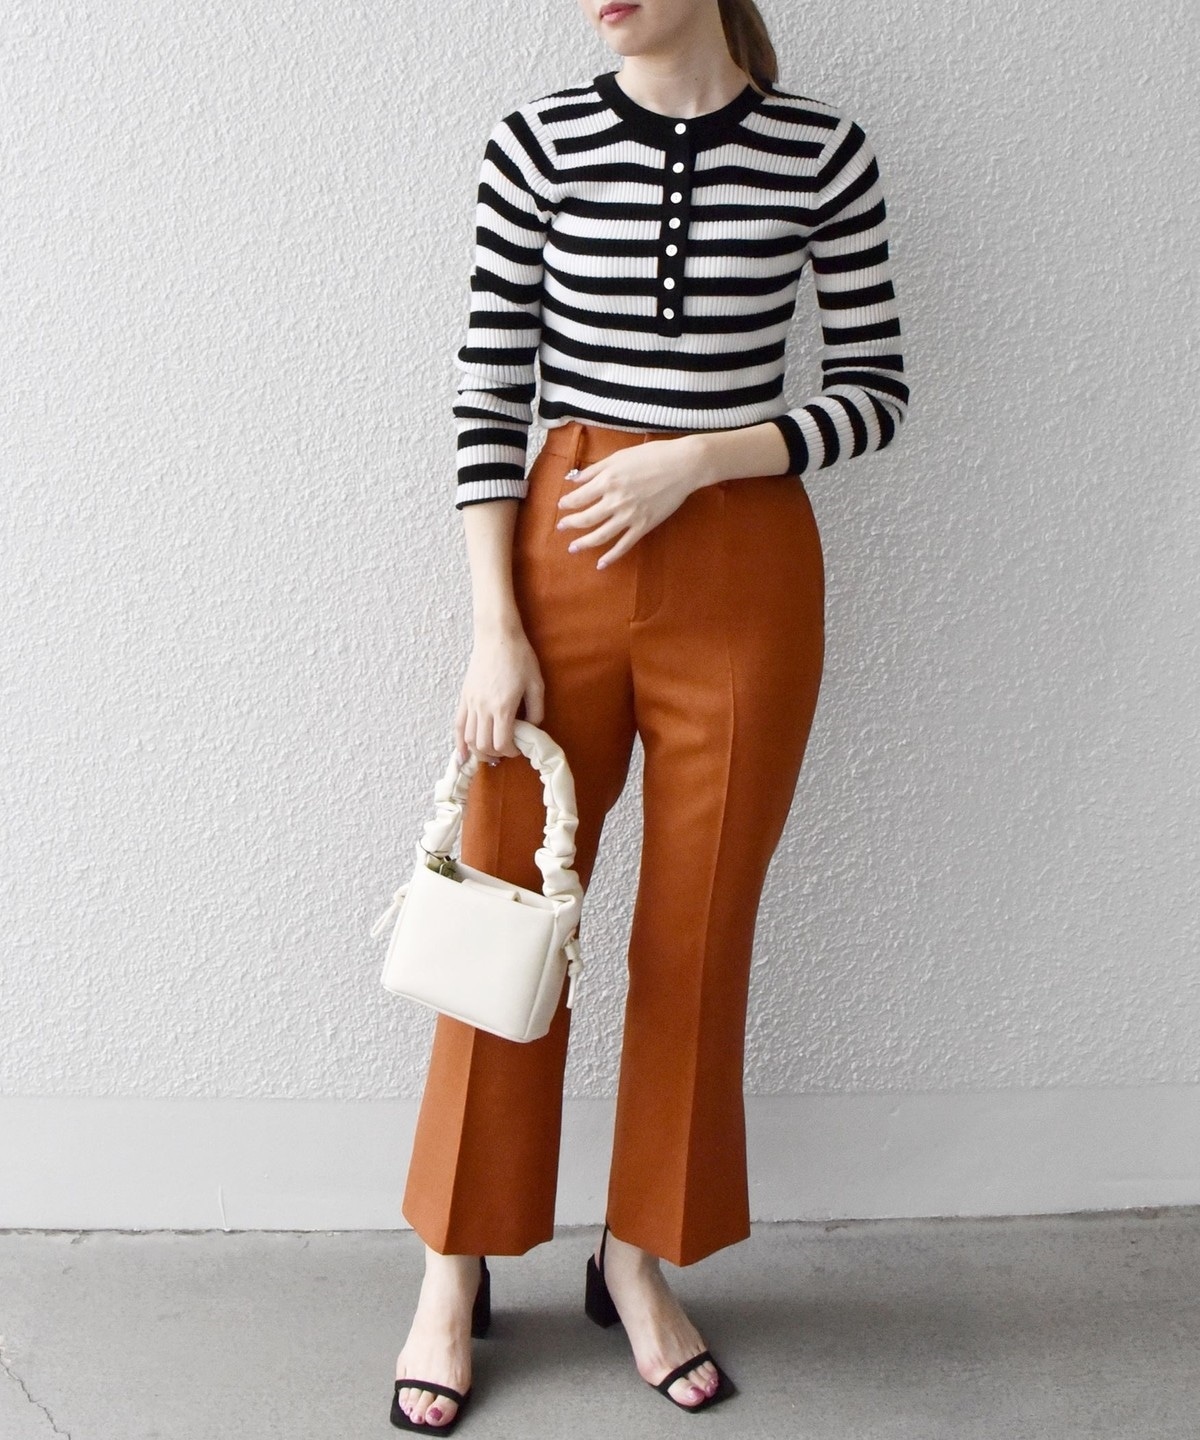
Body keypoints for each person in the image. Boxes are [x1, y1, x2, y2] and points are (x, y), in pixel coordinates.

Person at [391, 0, 908, 1429]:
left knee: (696, 932)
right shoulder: (539, 142)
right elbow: (489, 390)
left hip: (745, 572)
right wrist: (493, 629)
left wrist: (700, 459)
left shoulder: (822, 153)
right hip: (557, 564)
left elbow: (875, 391)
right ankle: (452, 1264)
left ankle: (637, 1256)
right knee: (503, 911)